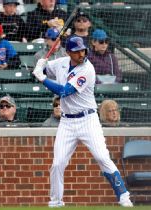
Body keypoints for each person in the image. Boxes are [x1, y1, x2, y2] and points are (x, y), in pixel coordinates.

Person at [32, 36, 133, 207]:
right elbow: (47, 70)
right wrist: (39, 65)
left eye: (83, 50)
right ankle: (56, 202)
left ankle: (124, 196)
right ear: (69, 52)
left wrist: (41, 78)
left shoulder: (87, 69)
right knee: (57, 164)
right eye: (77, 51)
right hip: (67, 122)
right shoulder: (62, 62)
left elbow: (64, 91)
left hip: (88, 119)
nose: (81, 53)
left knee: (102, 157)